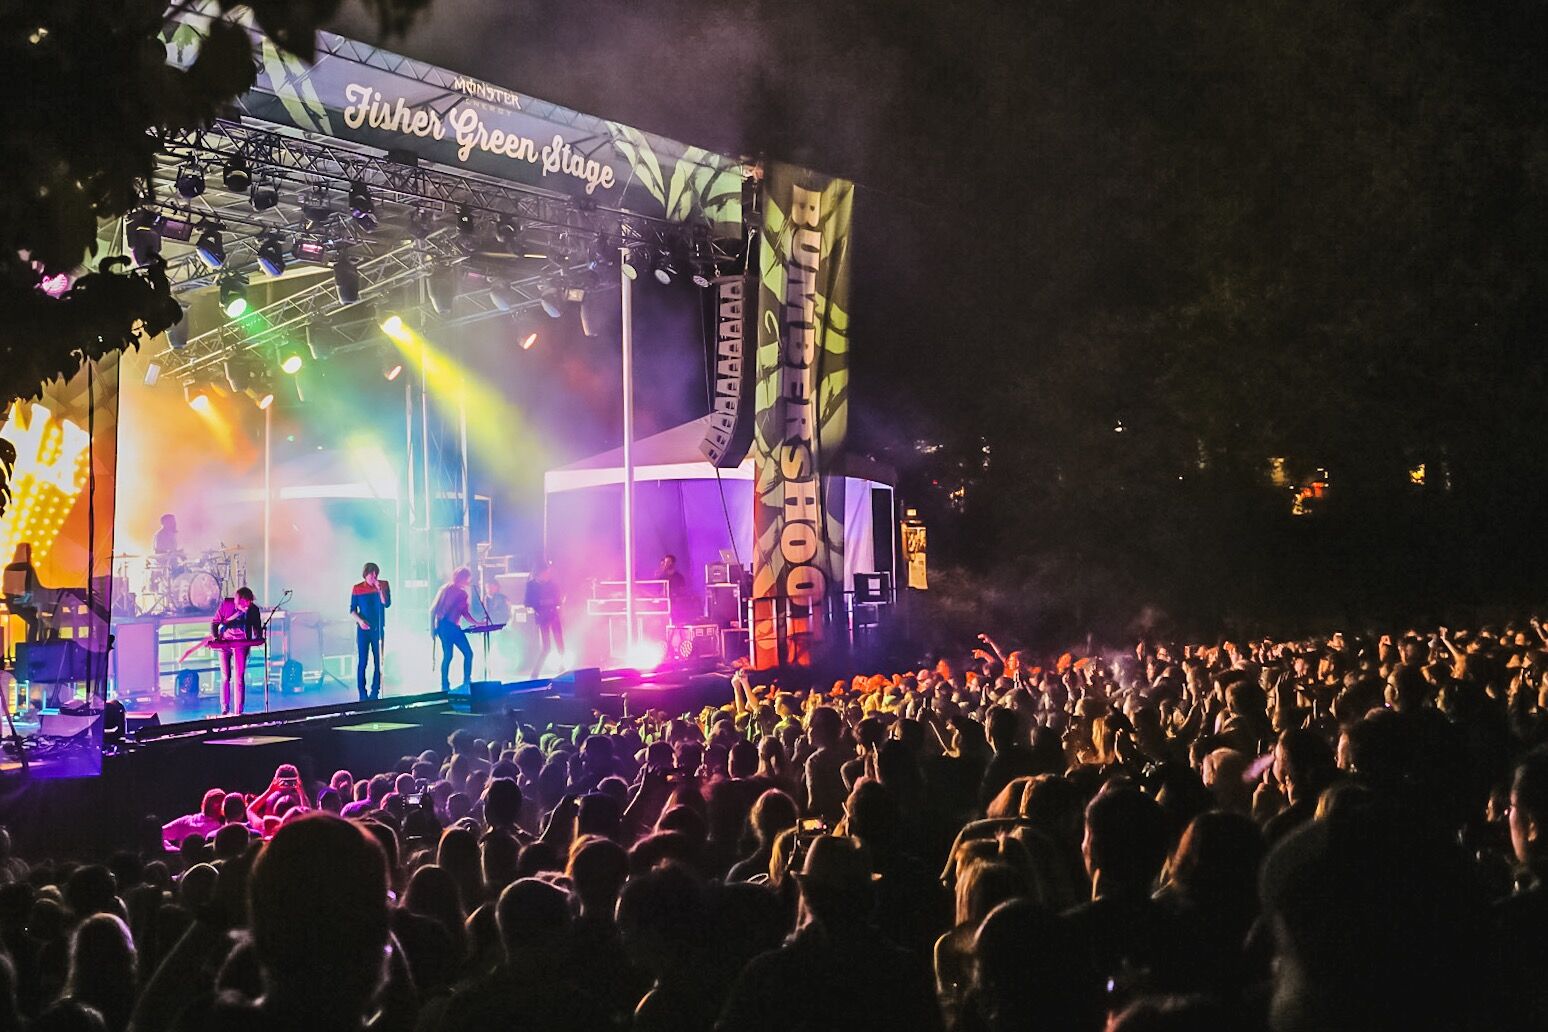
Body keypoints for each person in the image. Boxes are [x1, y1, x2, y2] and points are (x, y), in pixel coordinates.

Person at [209, 587, 261, 716]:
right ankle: (225, 709)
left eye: (248, 603)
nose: (246, 605)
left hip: (241, 644)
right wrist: (215, 638)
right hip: (224, 642)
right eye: (242, 603)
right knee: (225, 676)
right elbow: (215, 622)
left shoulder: (253, 610)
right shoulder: (227, 604)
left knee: (239, 678)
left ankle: (239, 710)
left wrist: (258, 636)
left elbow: (257, 627)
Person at [349, 563, 391, 702]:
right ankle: (362, 693)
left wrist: (380, 590)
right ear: (365, 574)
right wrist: (360, 621)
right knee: (363, 661)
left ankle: (375, 691)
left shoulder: (383, 585)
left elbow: (386, 603)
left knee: (379, 661)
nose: (374, 576)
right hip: (363, 630)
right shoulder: (357, 588)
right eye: (372, 574)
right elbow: (352, 610)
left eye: (376, 573)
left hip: (377, 629)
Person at [432, 568, 475, 693]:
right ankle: (466, 681)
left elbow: (434, 610)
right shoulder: (461, 594)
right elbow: (465, 613)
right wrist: (478, 623)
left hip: (442, 627)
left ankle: (445, 684)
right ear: (464, 578)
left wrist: (433, 628)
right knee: (468, 653)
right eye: (467, 578)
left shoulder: (445, 589)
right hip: (451, 627)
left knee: (448, 656)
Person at [524, 563, 564, 678]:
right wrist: (541, 603)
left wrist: (553, 602)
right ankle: (535, 673)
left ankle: (561, 669)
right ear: (540, 573)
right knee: (546, 647)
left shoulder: (552, 584)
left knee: (560, 644)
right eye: (546, 572)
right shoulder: (531, 585)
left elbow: (558, 600)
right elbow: (527, 602)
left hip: (553, 615)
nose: (548, 574)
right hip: (542, 618)